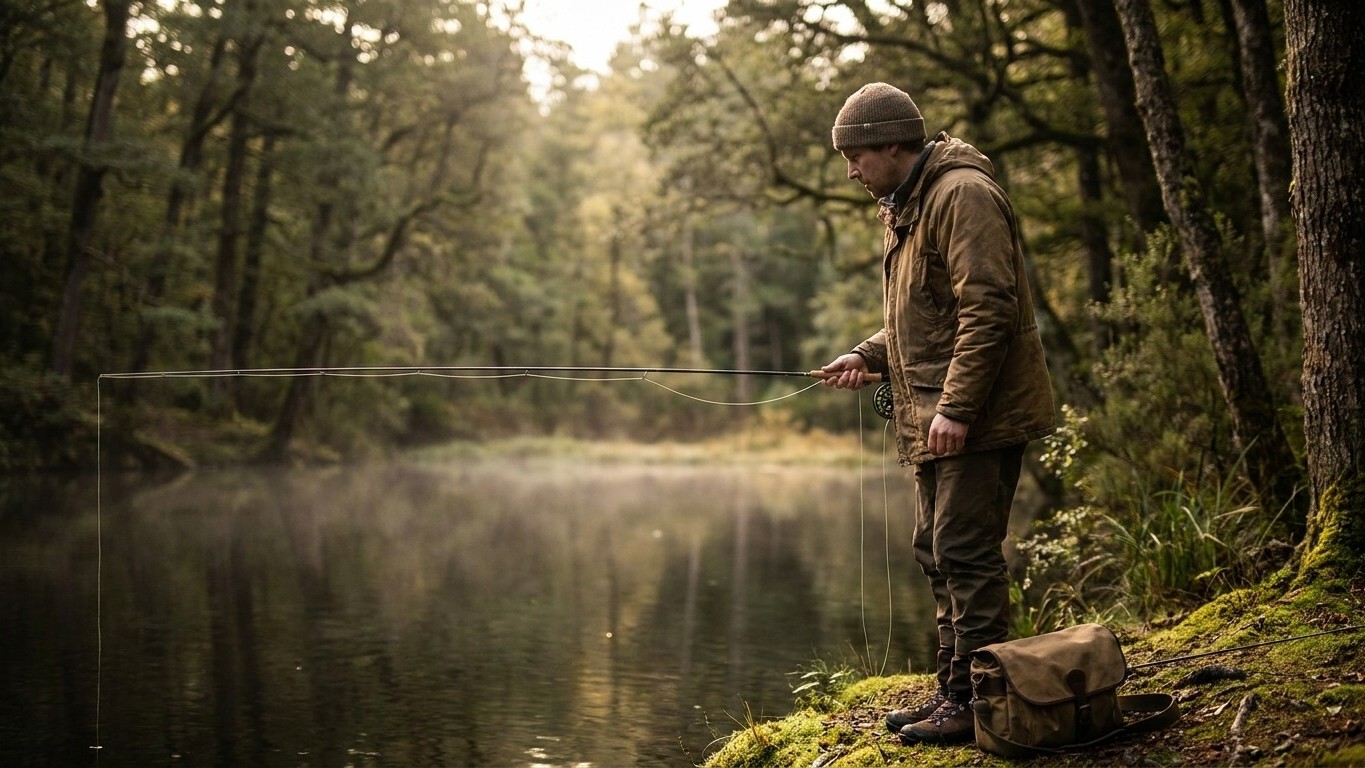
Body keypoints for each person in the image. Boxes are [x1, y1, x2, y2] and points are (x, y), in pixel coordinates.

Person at [820, 82, 1055, 745]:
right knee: (935, 551)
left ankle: (977, 703)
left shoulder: (962, 197)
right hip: (932, 414)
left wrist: (954, 408)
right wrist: (863, 354)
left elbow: (987, 308)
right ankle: (952, 692)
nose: (850, 171)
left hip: (974, 415)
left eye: (856, 156)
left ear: (893, 146)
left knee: (964, 551)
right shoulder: (907, 205)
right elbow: (919, 316)